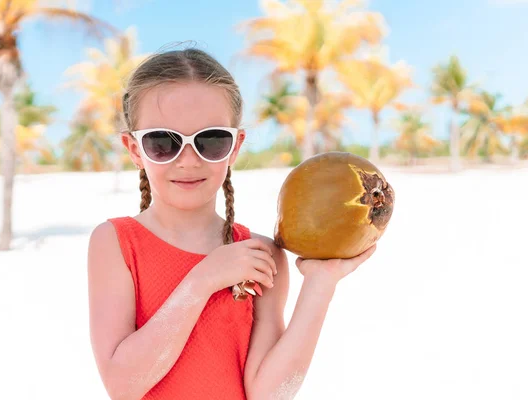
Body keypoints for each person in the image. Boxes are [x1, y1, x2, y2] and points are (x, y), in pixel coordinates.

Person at [87, 46, 376, 400]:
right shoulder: (115, 243)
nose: (189, 160)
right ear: (134, 150)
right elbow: (122, 386)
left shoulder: (261, 255)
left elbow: (269, 393)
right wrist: (203, 281)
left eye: (211, 140)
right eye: (163, 142)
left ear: (235, 146)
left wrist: (320, 284)